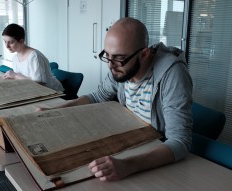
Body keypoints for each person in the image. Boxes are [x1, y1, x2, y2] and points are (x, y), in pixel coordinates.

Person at [36, 17, 193, 181]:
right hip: (129, 141)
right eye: (107, 55)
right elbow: (96, 97)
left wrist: (128, 165)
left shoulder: (172, 74)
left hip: (154, 156)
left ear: (144, 54)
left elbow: (180, 142)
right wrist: (53, 112)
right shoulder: (121, 67)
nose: (110, 65)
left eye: (118, 58)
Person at [1, 23, 64, 91]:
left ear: (21, 41)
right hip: (31, 91)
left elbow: (39, 83)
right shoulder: (15, 58)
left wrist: (15, 75)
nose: (7, 46)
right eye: (5, 42)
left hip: (52, 92)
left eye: (11, 42)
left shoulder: (34, 56)